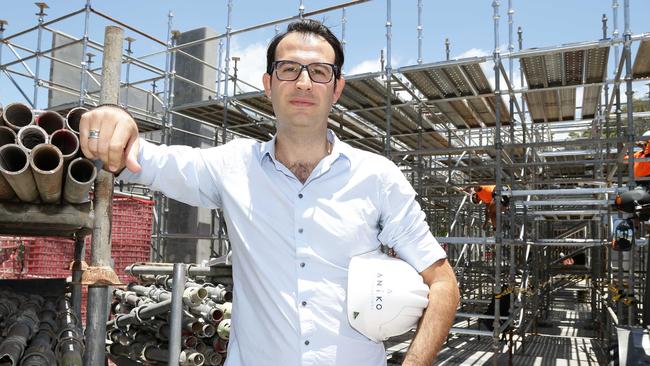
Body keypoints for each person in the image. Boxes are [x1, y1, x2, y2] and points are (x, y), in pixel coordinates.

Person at [79, 20, 459, 366]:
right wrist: (113, 117)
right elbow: (142, 157)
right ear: (268, 84)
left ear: (337, 88)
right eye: (289, 69)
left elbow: (443, 284)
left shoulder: (378, 178)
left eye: (320, 72)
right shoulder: (232, 168)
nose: (304, 83)